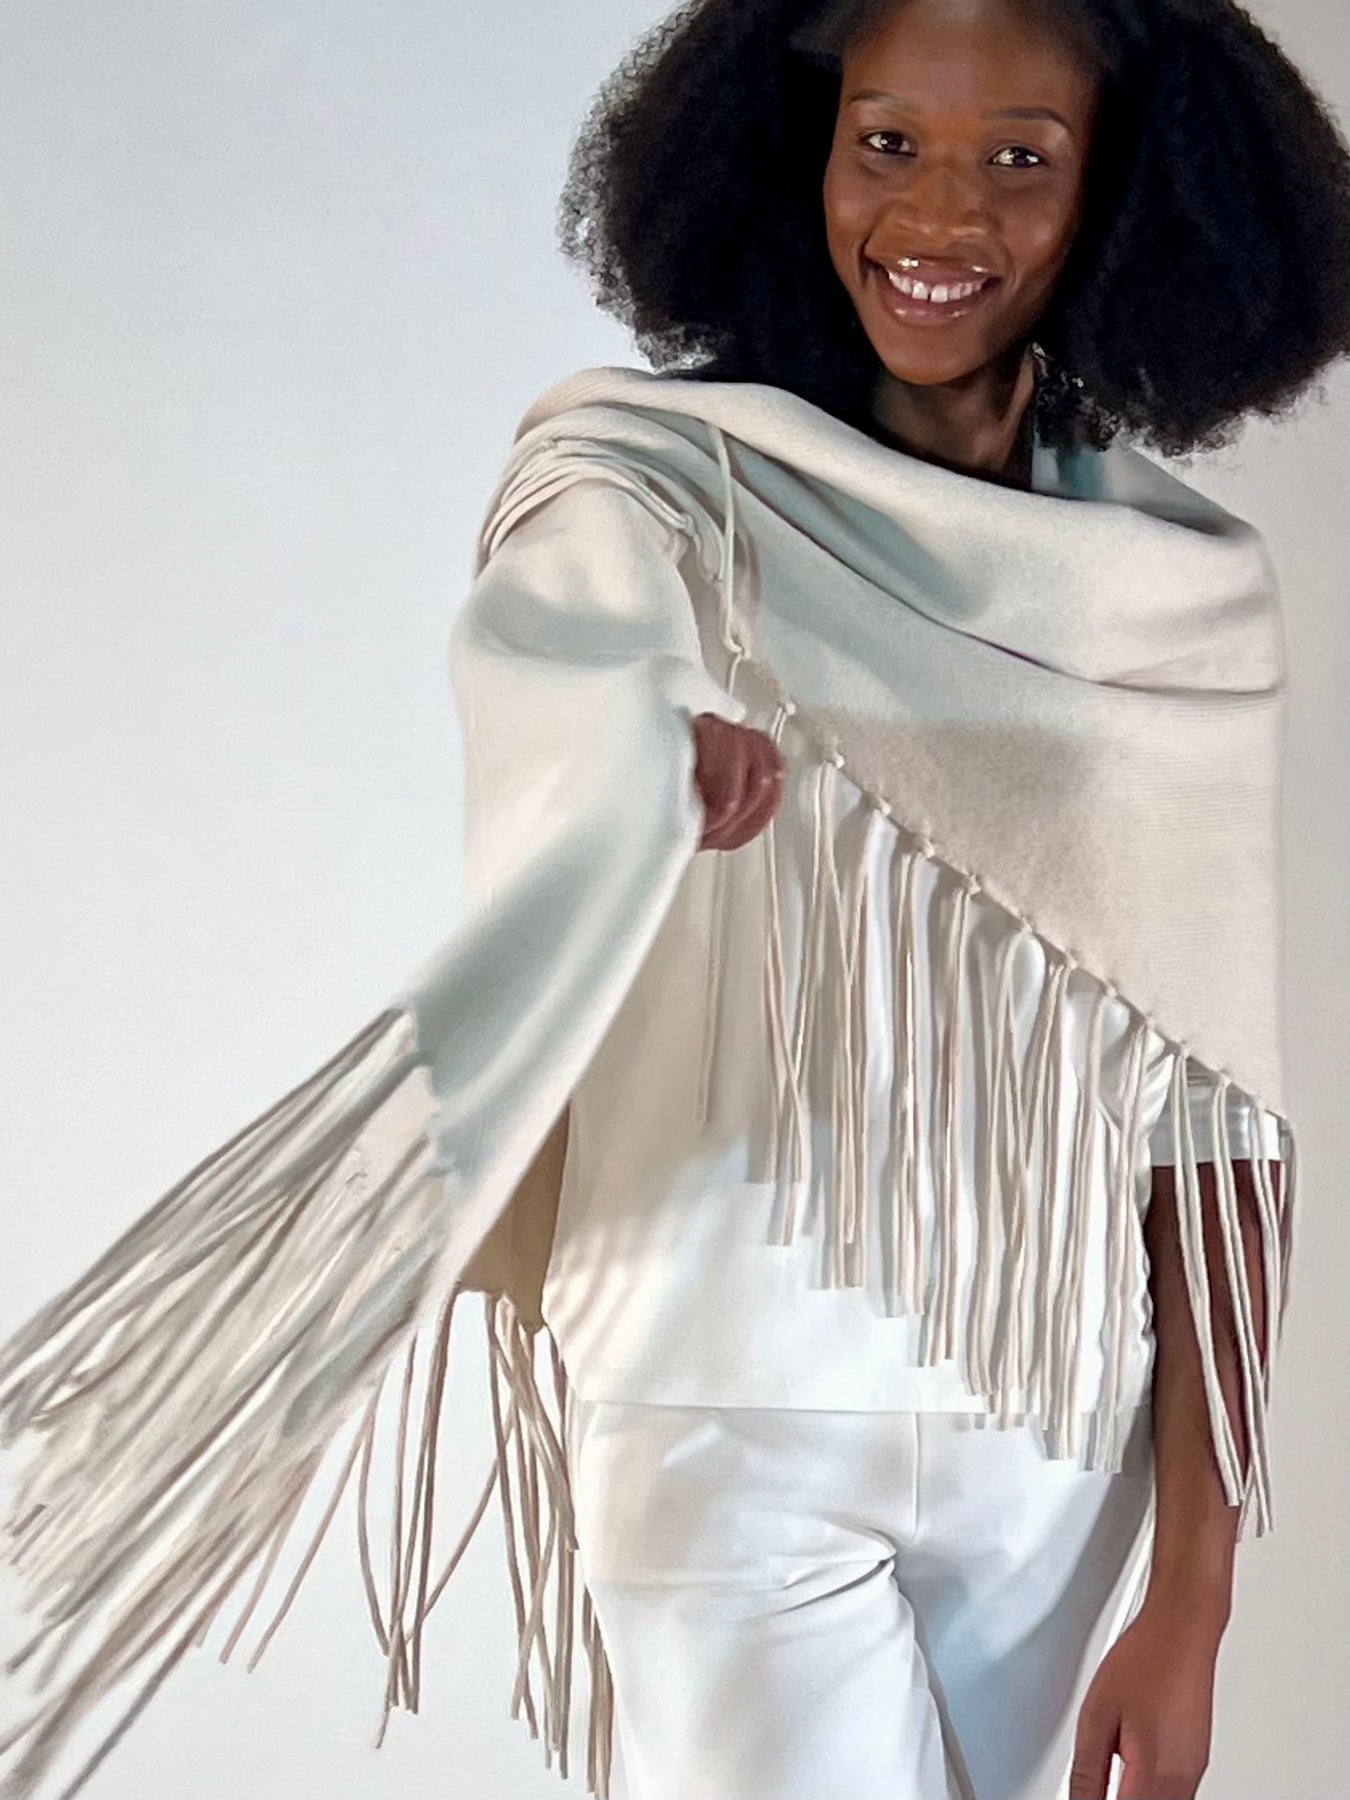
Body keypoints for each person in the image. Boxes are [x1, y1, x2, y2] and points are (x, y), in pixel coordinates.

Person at [0, 2, 1345, 1799]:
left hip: (1054, 1432)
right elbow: (560, 641)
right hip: (728, 1393)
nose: (938, 213)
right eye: (885, 141)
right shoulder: (645, 483)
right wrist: (641, 742)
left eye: (1018, 158)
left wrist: (1197, 1585)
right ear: (798, 153)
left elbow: (1216, 1109)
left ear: (1124, 190)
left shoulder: (1172, 598)